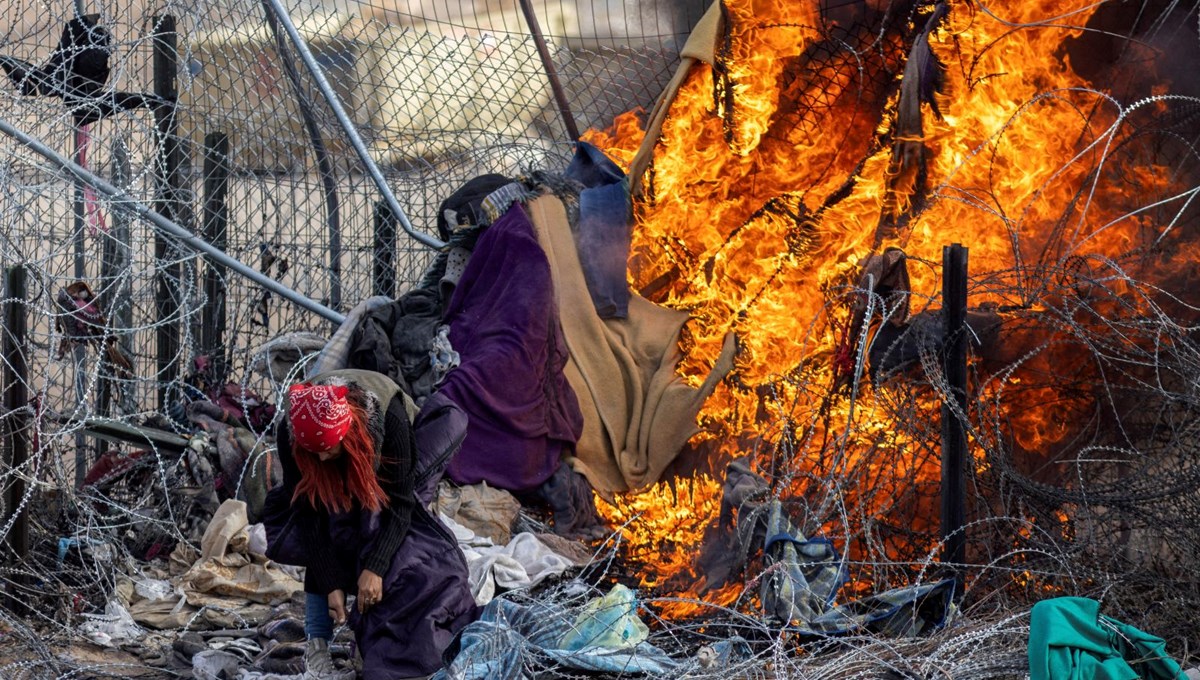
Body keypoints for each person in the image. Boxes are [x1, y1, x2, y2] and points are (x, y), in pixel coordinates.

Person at [262, 369, 477, 679]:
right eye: (314, 451)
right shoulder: (293, 432)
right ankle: (317, 643)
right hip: (345, 448)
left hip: (394, 456)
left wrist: (375, 568)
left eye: (328, 449)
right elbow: (308, 516)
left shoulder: (391, 418)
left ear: (346, 435)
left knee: (394, 537)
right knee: (334, 527)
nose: (322, 459)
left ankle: (390, 628)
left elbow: (402, 503)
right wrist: (330, 581)